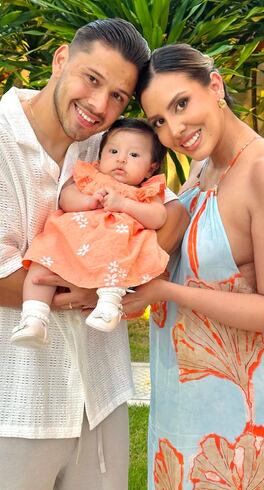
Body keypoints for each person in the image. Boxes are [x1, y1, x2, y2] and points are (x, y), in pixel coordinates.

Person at [0, 20, 188, 490]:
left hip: (101, 396)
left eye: (117, 96)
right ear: (60, 60)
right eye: (91, 80)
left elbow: (171, 213)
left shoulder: (107, 145)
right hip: (14, 401)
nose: (99, 105)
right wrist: (93, 291)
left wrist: (127, 263)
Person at [124, 44, 264, 490]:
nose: (175, 129)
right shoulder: (203, 167)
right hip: (189, 396)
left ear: (214, 85)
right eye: (159, 121)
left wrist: (166, 294)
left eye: (181, 104)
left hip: (255, 411)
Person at [12, 117, 169, 345]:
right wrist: (88, 202)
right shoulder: (91, 177)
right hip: (70, 241)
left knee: (120, 259)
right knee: (42, 263)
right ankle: (34, 318)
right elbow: (66, 198)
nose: (121, 159)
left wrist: (124, 205)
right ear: (101, 155)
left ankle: (108, 306)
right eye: (113, 151)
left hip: (112, 247)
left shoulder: (144, 191)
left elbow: (159, 216)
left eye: (134, 155)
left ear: (150, 168)